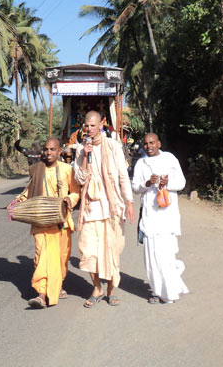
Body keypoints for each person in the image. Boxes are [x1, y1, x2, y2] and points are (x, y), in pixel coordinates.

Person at [75, 111, 135, 307]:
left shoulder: (113, 146)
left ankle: (110, 290)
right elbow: (80, 178)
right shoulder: (81, 149)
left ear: (101, 124)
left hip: (111, 207)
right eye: (86, 126)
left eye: (93, 125)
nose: (89, 129)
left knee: (111, 250)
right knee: (89, 250)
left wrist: (129, 202)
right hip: (91, 208)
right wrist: (85, 155)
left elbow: (122, 176)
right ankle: (96, 288)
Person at [12, 138, 80, 309]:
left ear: (59, 151)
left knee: (61, 257)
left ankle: (58, 284)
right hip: (41, 221)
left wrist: (68, 199)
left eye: (52, 149)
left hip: (62, 220)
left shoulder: (67, 170)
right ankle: (41, 294)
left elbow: (76, 191)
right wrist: (17, 201)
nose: (48, 153)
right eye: (46, 149)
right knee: (41, 256)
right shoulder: (36, 169)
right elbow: (28, 192)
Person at [131, 133, 189, 304]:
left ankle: (170, 290)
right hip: (150, 216)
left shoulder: (170, 159)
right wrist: (147, 184)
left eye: (152, 143)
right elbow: (135, 187)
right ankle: (156, 290)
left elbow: (181, 182)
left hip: (167, 215)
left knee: (166, 254)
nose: (149, 147)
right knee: (151, 255)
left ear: (158, 143)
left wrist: (166, 183)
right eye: (146, 144)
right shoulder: (141, 163)